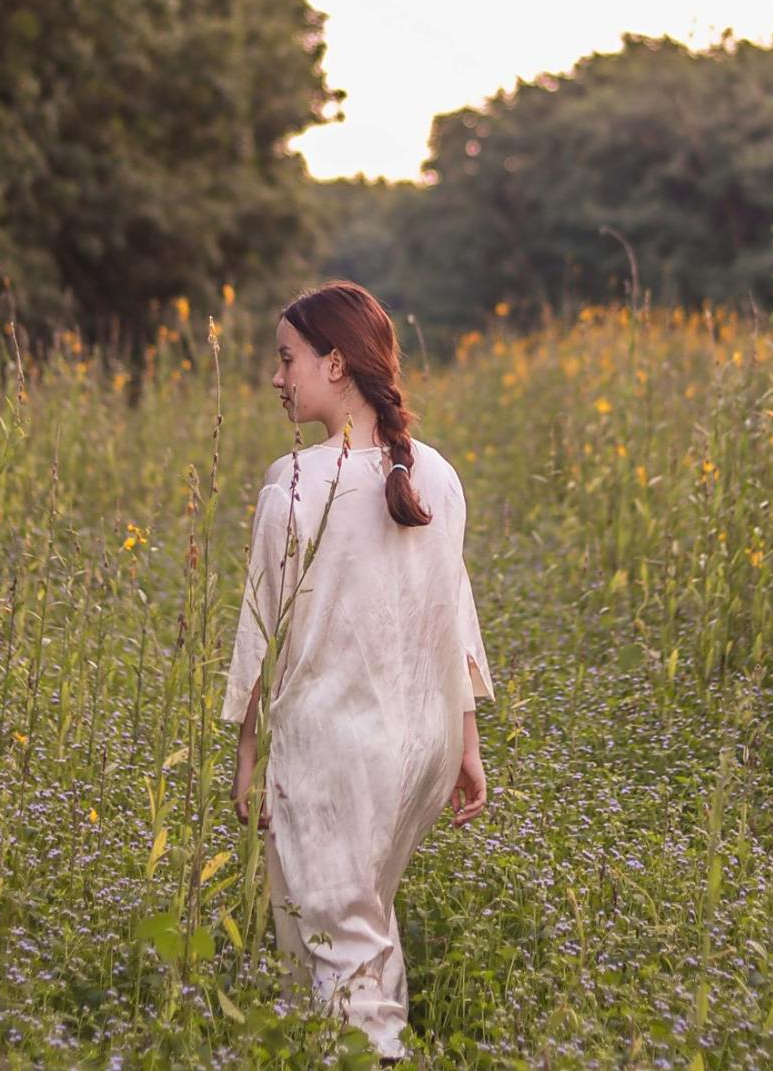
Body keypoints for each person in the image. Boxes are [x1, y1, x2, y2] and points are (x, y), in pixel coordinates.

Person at [222, 279, 493, 1062]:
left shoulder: (293, 484)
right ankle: (326, 1044)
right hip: (420, 745)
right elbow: (454, 615)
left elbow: (262, 636)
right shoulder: (437, 474)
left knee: (337, 941)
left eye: (287, 359)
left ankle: (371, 1052)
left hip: (334, 748)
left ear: (335, 362)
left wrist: (247, 755)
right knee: (359, 919)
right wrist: (466, 741)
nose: (277, 377)